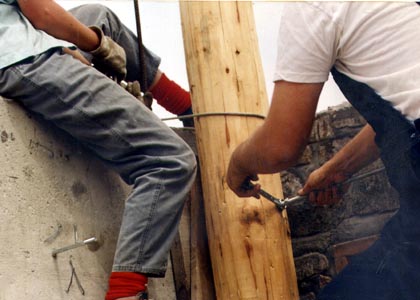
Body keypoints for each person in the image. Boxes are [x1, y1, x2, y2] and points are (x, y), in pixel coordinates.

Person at [0, 1, 196, 300]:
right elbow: (43, 14)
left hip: (16, 43)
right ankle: (125, 293)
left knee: (98, 17)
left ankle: (187, 106)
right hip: (20, 58)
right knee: (170, 160)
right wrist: (99, 46)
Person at [227, 2, 420, 299]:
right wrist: (337, 169)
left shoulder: (312, 6)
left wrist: (238, 163)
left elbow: (280, 146)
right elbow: (405, 111)